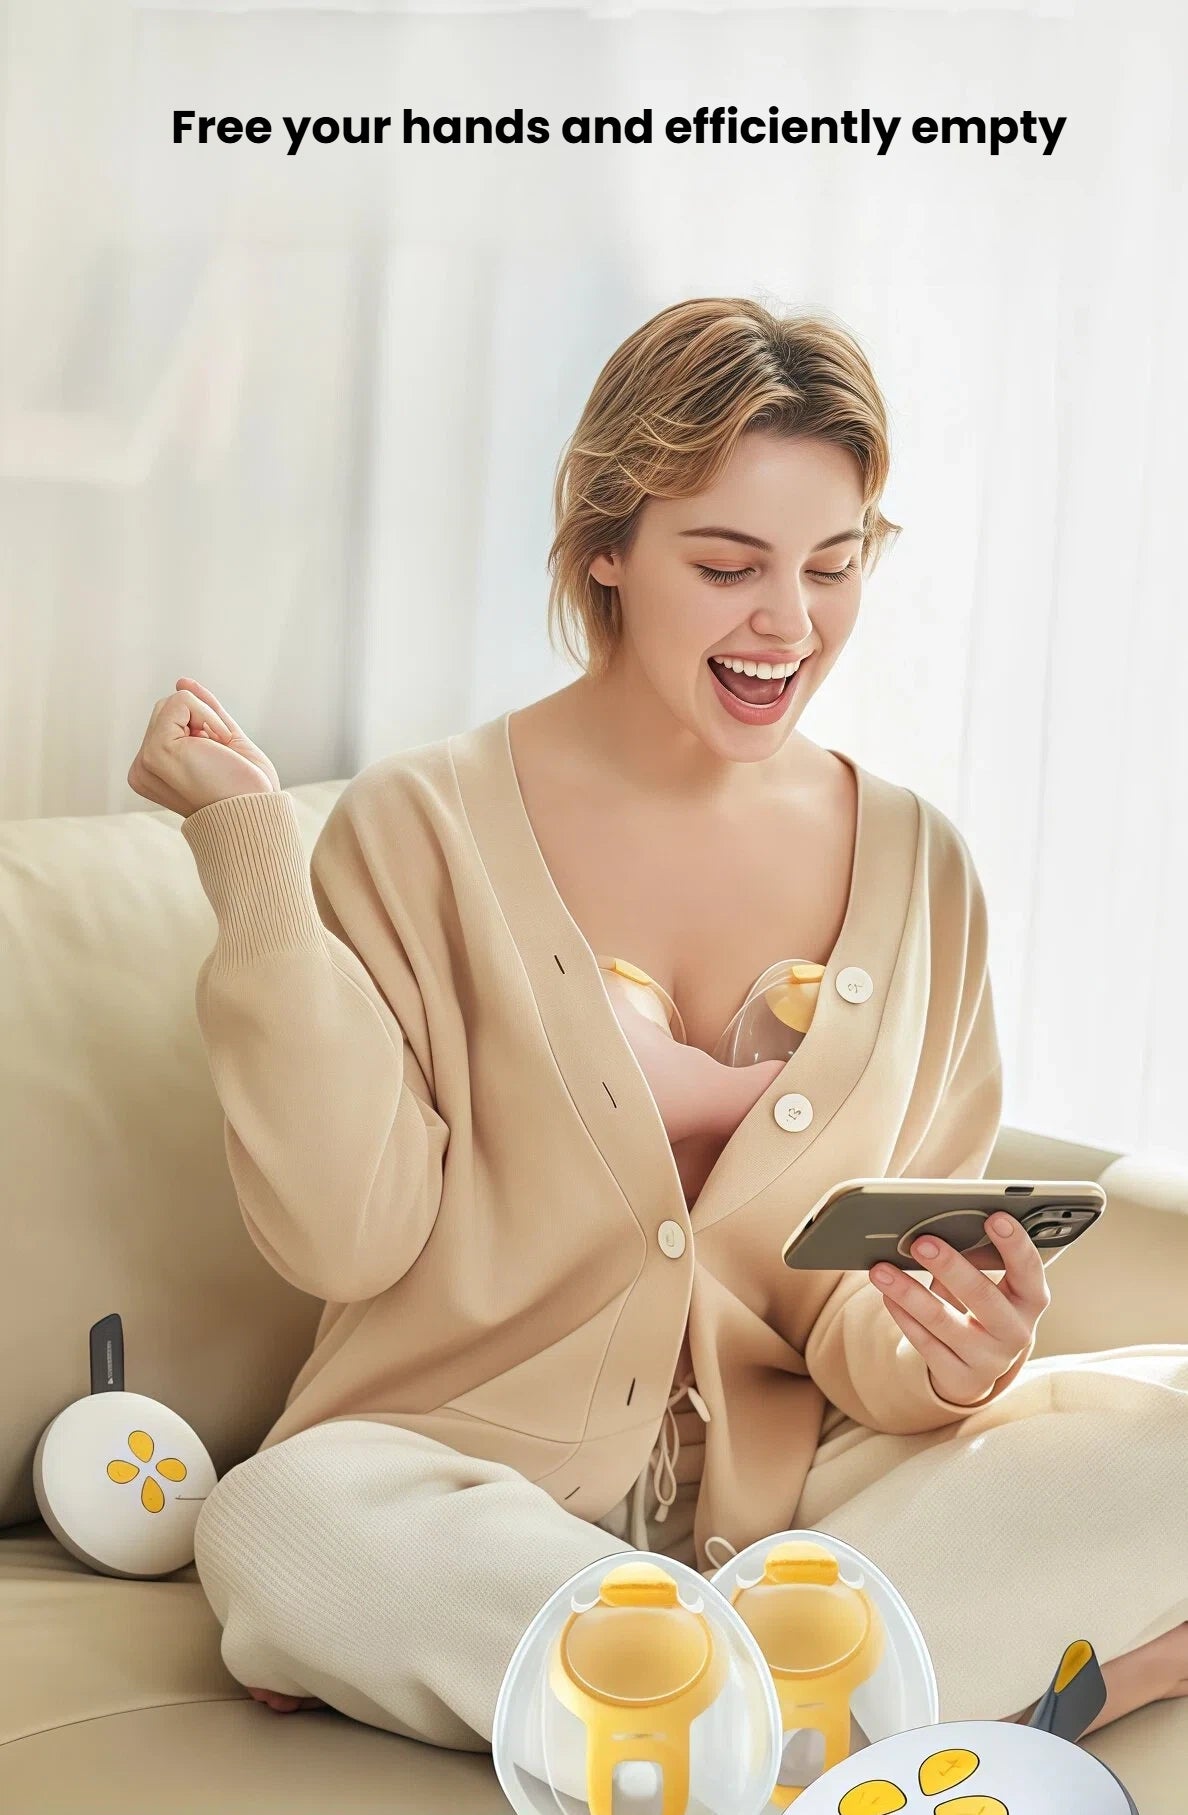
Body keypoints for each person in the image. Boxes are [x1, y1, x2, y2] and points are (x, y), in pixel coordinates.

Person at [128, 298, 1188, 1763]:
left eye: (833, 565)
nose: (790, 624)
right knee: (277, 1518)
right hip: (459, 1484)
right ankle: (871, 1704)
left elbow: (851, 1320)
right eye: (729, 564)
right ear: (609, 548)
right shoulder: (420, 829)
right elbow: (343, 1239)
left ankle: (667, 1706)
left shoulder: (923, 870)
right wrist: (252, 867)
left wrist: (949, 1357)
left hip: (808, 1504)